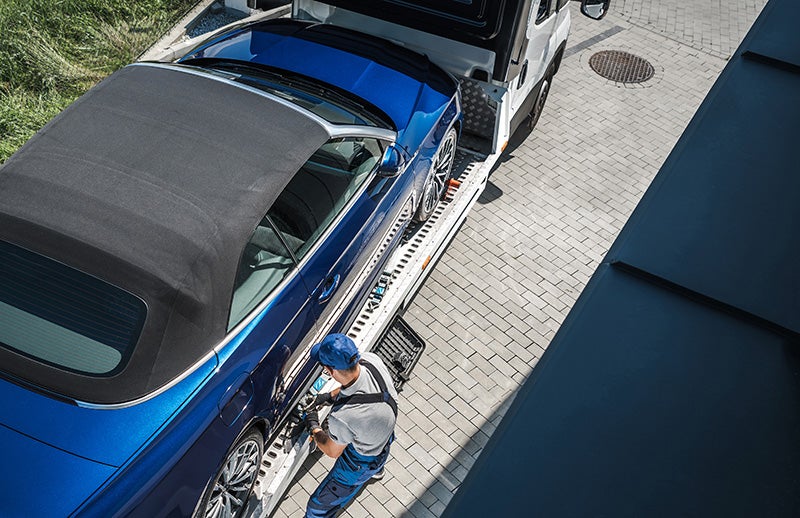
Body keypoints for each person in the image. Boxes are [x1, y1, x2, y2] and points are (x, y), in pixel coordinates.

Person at [303, 333, 398, 518]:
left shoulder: (344, 417)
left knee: (317, 506)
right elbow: (356, 386)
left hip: (359, 463)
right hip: (384, 435)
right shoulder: (371, 361)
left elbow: (332, 451)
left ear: (331, 371)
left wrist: (314, 426)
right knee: (374, 454)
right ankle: (376, 471)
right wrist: (328, 397)